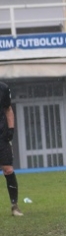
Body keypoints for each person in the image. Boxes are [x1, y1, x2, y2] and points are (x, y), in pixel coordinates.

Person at [0, 82, 21, 217]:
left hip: (1, 136)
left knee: (8, 169)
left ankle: (14, 206)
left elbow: (8, 109)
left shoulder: (3, 88)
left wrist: (11, 129)